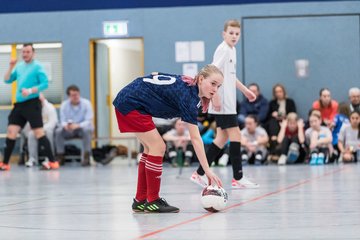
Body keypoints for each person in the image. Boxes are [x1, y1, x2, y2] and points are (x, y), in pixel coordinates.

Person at [113, 64, 223, 213]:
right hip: (131, 103)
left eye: (219, 86)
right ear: (201, 79)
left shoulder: (188, 84)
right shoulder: (189, 97)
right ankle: (153, 200)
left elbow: (155, 74)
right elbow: (196, 139)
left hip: (130, 100)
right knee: (159, 147)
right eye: (213, 84)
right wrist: (207, 170)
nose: (215, 89)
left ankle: (140, 200)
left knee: (149, 148)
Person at [190, 19, 259, 189]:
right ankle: (238, 178)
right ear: (224, 34)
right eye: (231, 33)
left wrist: (245, 91)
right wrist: (215, 97)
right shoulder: (223, 50)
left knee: (222, 138)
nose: (234, 36)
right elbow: (212, 72)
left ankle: (198, 174)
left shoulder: (232, 50)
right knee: (236, 135)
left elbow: (230, 76)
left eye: (237, 33)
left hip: (229, 102)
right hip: (223, 102)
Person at [0, 43, 58, 171]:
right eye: (23, 52)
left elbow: (45, 84)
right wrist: (10, 66)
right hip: (19, 105)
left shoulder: (38, 67)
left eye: (28, 52)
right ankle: (5, 163)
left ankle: (53, 162)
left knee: (39, 132)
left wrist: (31, 90)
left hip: (32, 103)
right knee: (11, 131)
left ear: (33, 53)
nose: (25, 54)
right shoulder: (19, 67)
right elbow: (7, 80)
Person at [55, 85, 94, 166]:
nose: (75, 97)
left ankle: (86, 156)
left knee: (87, 129)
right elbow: (62, 120)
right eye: (73, 95)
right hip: (68, 130)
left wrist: (78, 125)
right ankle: (60, 156)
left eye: (77, 94)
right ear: (69, 96)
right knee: (58, 131)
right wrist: (66, 125)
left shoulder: (86, 103)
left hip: (81, 129)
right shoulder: (64, 105)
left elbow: (88, 120)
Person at [21, 93, 58, 167]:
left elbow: (53, 122)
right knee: (31, 133)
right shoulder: (32, 109)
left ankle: (50, 158)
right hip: (37, 129)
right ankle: (32, 159)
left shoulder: (50, 107)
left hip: (48, 129)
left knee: (48, 133)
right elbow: (29, 123)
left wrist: (42, 129)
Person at [266, 83, 297, 160]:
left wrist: (285, 116)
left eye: (280, 91)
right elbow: (267, 116)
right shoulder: (272, 103)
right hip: (276, 122)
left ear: (283, 92)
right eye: (276, 92)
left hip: (287, 120)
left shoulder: (290, 101)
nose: (278, 93)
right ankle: (274, 139)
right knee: (272, 122)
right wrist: (273, 114)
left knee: (287, 122)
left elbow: (293, 113)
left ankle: (280, 152)